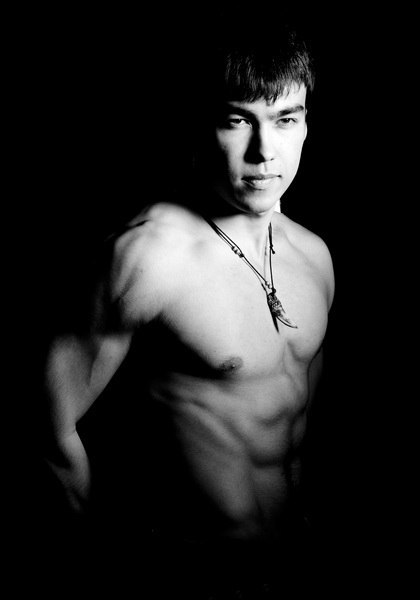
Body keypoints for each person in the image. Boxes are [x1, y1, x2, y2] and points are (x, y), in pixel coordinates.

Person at [41, 16, 335, 599]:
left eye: (285, 119)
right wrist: (91, 569)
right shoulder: (149, 256)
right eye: (237, 120)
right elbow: (47, 431)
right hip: (190, 580)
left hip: (291, 565)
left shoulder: (315, 257)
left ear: (306, 125)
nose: (264, 152)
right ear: (201, 124)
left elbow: (297, 422)